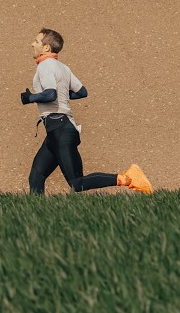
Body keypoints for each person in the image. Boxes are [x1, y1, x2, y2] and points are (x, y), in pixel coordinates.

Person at [21, 27, 153, 195]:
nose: (32, 44)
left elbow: (50, 94)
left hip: (60, 130)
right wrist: (62, 96)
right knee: (36, 176)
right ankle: (35, 215)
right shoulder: (63, 68)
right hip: (58, 130)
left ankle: (128, 178)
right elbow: (82, 92)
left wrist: (30, 98)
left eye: (37, 41)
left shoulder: (45, 66)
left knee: (77, 183)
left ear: (46, 48)